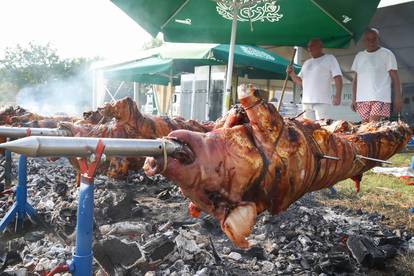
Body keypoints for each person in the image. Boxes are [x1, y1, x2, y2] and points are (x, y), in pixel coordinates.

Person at [351, 28, 401, 122]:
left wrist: (398, 98)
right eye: (368, 39)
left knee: (372, 127)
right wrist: (354, 99)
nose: (371, 42)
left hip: (380, 97)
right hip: (362, 98)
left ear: (378, 39)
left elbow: (395, 77)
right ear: (364, 41)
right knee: (365, 129)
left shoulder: (387, 54)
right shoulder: (359, 56)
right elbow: (355, 81)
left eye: (374, 39)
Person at [287, 38, 343, 120]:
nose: (309, 48)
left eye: (312, 46)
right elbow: (301, 82)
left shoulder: (330, 58)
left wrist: (338, 95)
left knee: (322, 128)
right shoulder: (307, 62)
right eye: (308, 46)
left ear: (320, 47)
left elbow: (338, 77)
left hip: (323, 101)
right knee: (307, 127)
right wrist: (292, 74)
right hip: (306, 102)